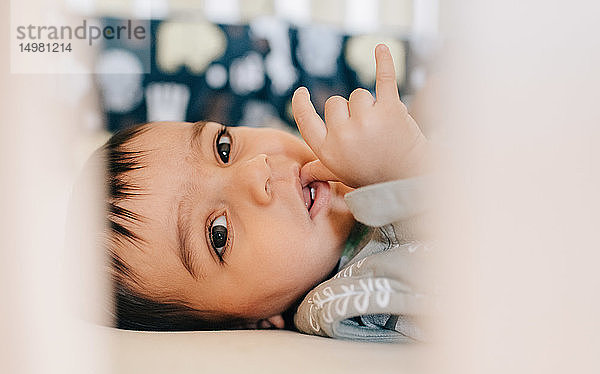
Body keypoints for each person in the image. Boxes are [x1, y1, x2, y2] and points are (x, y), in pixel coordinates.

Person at [100, 44, 430, 332]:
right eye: (219, 234)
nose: (255, 171)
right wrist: (410, 166)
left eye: (223, 148)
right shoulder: (351, 305)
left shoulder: (360, 152)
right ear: (251, 323)